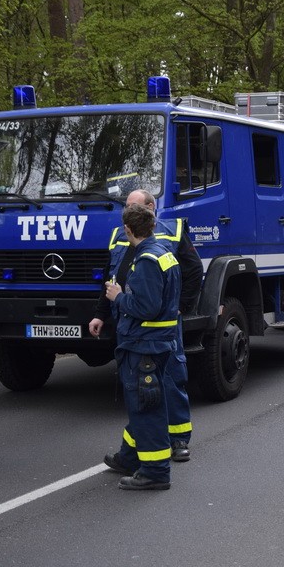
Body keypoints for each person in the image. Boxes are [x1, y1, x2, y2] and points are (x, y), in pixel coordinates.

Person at [89, 189, 202, 463]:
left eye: (133, 206)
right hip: (130, 323)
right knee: (142, 391)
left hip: (159, 325)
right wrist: (100, 314)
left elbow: (193, 270)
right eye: (125, 206)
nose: (126, 211)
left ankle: (178, 440)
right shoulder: (119, 236)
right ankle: (137, 451)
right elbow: (110, 280)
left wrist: (180, 306)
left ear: (150, 208)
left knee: (170, 379)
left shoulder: (171, 231)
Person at [101, 203, 181, 490]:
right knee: (145, 402)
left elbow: (146, 307)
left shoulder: (146, 259)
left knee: (146, 407)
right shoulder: (164, 254)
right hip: (157, 342)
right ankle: (129, 457)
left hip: (144, 344)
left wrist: (118, 297)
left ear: (128, 230)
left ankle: (155, 472)